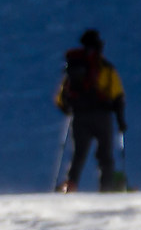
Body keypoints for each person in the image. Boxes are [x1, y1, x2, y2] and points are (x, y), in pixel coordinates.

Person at [55, 28, 128, 193]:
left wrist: (69, 110)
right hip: (102, 115)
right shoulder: (105, 67)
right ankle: (106, 188)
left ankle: (70, 186)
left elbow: (61, 98)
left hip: (79, 116)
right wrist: (120, 120)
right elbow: (118, 96)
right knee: (105, 155)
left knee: (78, 154)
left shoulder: (73, 66)